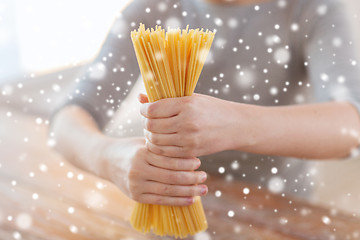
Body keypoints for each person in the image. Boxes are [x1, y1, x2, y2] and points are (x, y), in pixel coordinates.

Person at [51, 0, 360, 206]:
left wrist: (237, 125)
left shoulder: (311, 8)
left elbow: (352, 124)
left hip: (277, 208)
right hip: (170, 211)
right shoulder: (150, 9)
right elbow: (68, 118)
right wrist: (108, 157)